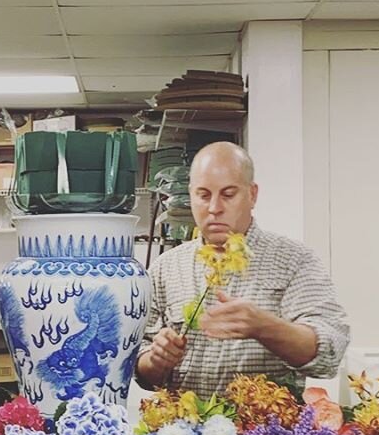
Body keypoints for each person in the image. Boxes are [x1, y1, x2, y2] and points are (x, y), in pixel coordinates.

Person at [135, 142, 349, 398]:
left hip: (266, 433)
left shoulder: (294, 260)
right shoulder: (165, 268)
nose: (214, 208)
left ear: (252, 194)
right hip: (183, 432)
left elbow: (329, 353)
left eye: (228, 194)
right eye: (203, 195)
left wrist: (264, 327)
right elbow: (141, 368)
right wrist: (156, 360)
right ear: (191, 195)